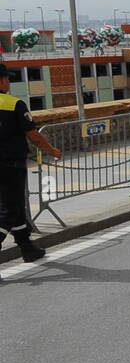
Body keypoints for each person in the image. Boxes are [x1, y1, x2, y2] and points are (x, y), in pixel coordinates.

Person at [0, 63, 62, 263]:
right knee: (10, 208)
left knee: (14, 207)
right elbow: (34, 135)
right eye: (7, 78)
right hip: (10, 164)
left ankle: (27, 248)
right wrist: (52, 150)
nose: (8, 81)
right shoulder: (13, 104)